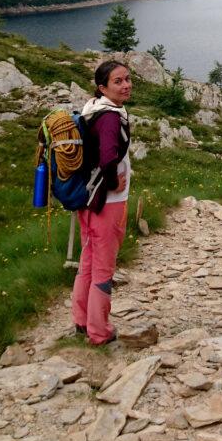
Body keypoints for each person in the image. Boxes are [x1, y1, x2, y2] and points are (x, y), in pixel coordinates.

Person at [71, 60, 133, 345]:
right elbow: (108, 157)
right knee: (103, 268)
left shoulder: (92, 110)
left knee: (88, 261)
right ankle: (99, 331)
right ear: (102, 87)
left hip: (88, 202)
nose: (126, 85)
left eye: (128, 79)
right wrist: (112, 182)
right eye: (118, 81)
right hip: (108, 204)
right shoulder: (110, 117)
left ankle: (82, 321)